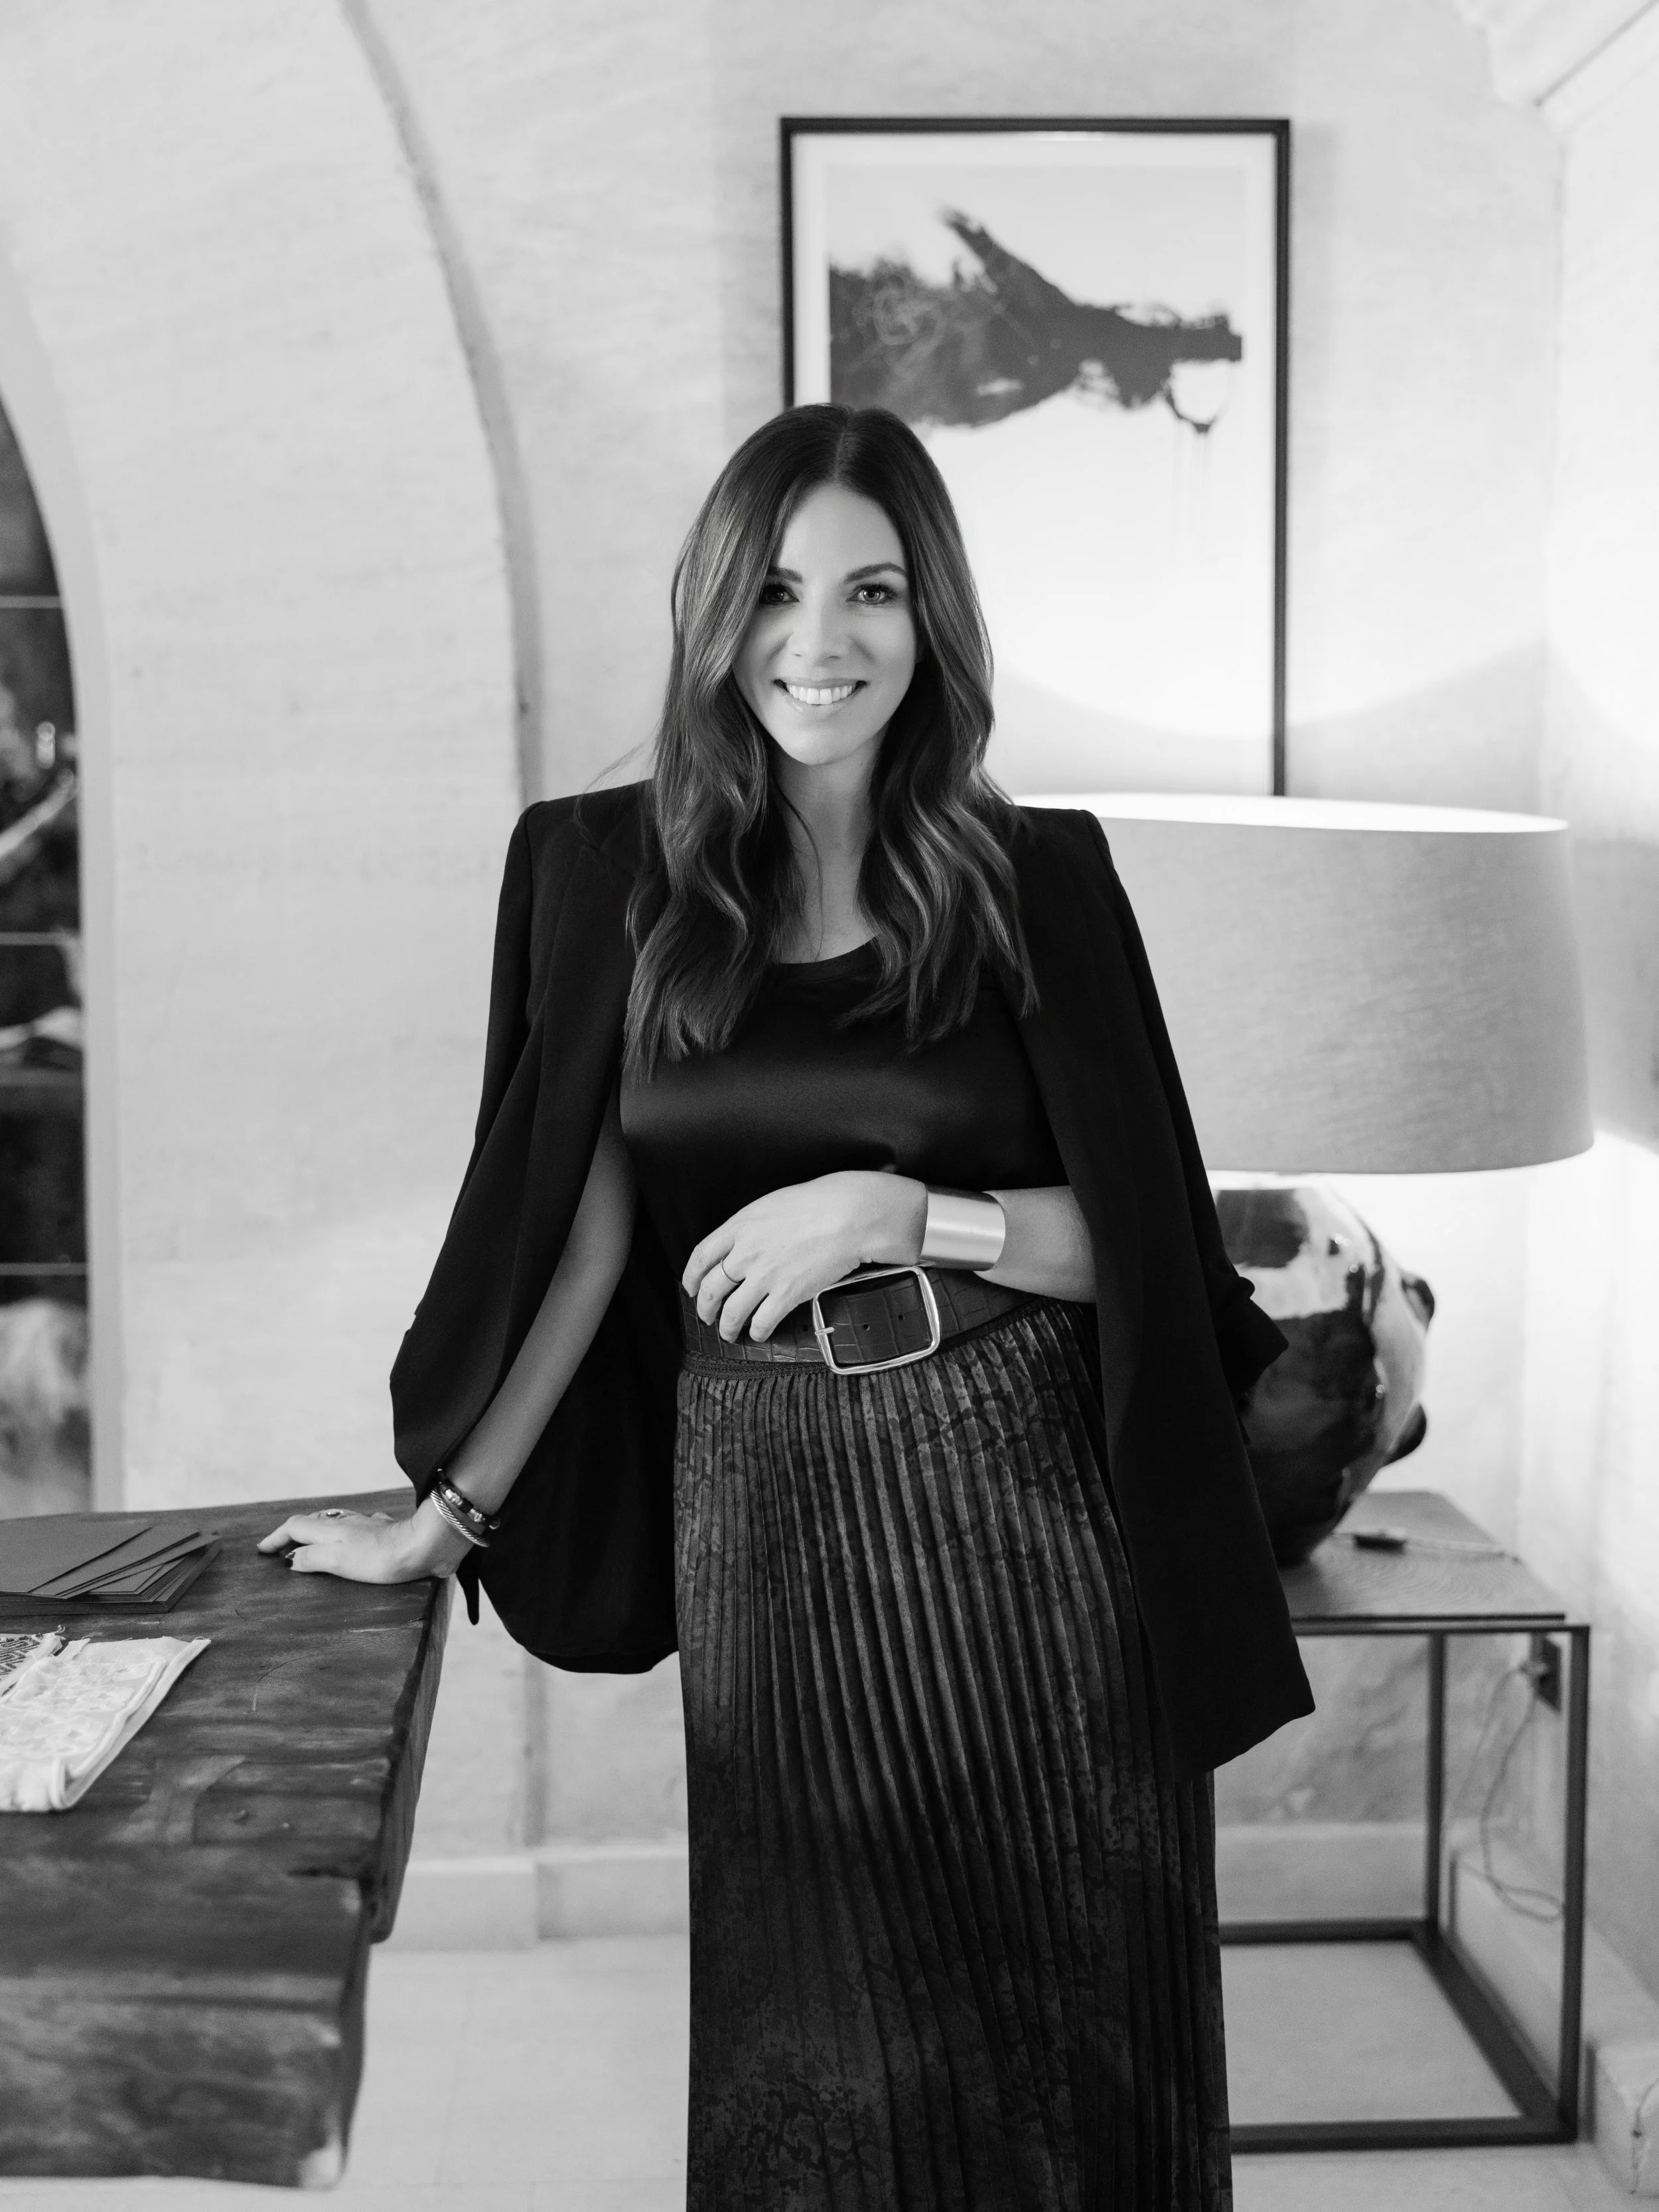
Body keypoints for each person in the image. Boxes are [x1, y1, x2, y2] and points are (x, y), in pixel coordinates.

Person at [261, 402, 1313, 2211]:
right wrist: (441, 1522)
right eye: (772, 590)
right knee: (811, 2043)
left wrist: (909, 1210)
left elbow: (1144, 1255)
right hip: (768, 1506)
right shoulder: (600, 873)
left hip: (1035, 1507)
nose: (819, 643)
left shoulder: (1031, 872)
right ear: (711, 616)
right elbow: (579, 1247)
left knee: (1076, 2034)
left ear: (934, 619)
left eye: (871, 591)